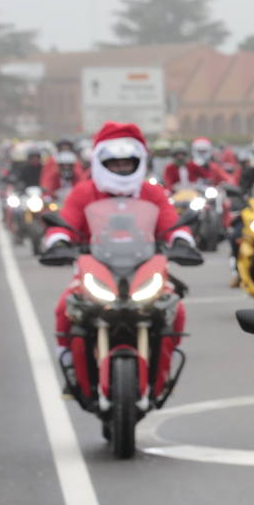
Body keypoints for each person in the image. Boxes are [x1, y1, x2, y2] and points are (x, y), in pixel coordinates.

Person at [43, 122, 200, 395]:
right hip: (96, 267)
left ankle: (166, 363)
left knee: (176, 309)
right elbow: (65, 221)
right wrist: (58, 240)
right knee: (64, 308)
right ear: (101, 162)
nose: (121, 168)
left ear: (139, 161)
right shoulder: (84, 191)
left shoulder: (152, 192)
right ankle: (68, 365)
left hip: (144, 268)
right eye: (114, 163)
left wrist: (182, 240)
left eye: (128, 162)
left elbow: (170, 221)